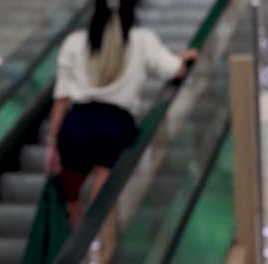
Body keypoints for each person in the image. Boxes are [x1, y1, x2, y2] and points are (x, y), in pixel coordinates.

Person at [45, 0, 199, 228]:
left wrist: (51, 142)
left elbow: (61, 98)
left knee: (70, 200)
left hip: (77, 125)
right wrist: (182, 57)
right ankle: (98, 242)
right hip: (116, 126)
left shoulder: (74, 42)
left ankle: (76, 246)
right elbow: (174, 70)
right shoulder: (142, 40)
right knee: (101, 203)